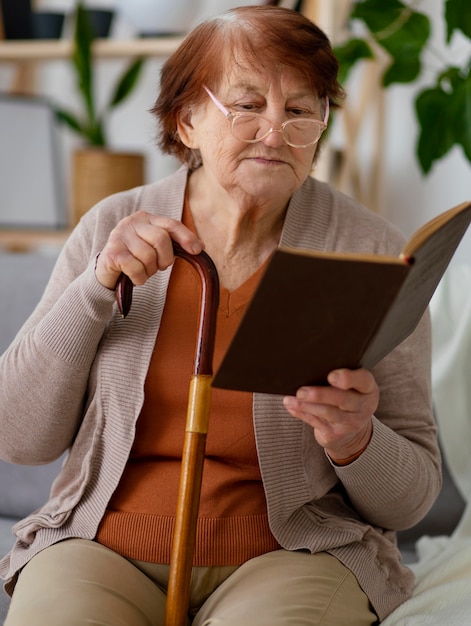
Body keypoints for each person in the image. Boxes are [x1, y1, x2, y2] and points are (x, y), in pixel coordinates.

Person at [0, 5, 441, 625]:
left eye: (299, 110)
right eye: (247, 104)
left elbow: (412, 497)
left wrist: (356, 441)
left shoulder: (369, 253)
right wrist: (95, 288)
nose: (273, 132)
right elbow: (18, 436)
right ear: (187, 120)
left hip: (292, 554)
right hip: (103, 548)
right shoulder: (110, 225)